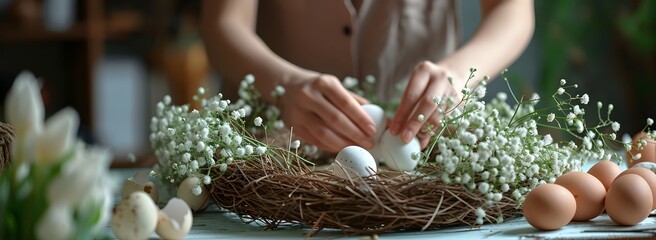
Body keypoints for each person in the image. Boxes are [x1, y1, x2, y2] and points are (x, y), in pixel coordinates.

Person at [201, 0, 534, 153]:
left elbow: (513, 9)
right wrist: (283, 85)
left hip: (427, 149)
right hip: (268, 152)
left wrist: (458, 74)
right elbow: (223, 22)